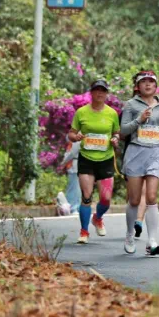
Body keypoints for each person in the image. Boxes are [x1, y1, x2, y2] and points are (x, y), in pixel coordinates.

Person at [119, 70, 159, 256]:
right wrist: (139, 120)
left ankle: (152, 241)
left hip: (156, 152)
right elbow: (123, 131)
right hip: (136, 152)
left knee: (151, 196)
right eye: (144, 82)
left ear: (156, 86)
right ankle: (129, 234)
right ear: (138, 86)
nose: (148, 84)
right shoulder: (131, 104)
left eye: (151, 81)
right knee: (134, 200)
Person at [67, 79, 120, 244]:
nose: (100, 93)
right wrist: (75, 137)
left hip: (105, 159)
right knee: (87, 196)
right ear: (91, 92)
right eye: (97, 90)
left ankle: (97, 218)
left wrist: (115, 139)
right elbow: (71, 133)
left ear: (106, 94)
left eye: (103, 90)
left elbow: (116, 133)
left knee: (106, 198)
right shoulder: (81, 112)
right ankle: (84, 231)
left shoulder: (112, 113)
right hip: (87, 159)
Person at [58, 140, 81, 215]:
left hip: (74, 165)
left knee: (73, 187)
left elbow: (72, 152)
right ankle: (77, 208)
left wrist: (63, 162)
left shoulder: (76, 137)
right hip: (79, 164)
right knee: (77, 188)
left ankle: (73, 208)